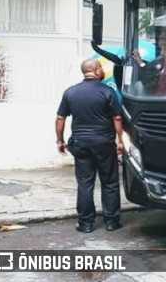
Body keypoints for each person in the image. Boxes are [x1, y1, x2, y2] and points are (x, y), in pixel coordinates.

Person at [55, 58, 124, 233]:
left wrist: (60, 140)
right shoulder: (107, 92)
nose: (103, 71)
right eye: (101, 68)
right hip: (104, 143)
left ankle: (85, 224)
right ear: (96, 70)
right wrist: (120, 141)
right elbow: (117, 117)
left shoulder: (70, 92)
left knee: (85, 183)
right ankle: (111, 222)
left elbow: (60, 118)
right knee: (109, 182)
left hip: (80, 143)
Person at [133, 29, 166, 96]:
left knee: (138, 86)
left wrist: (141, 63)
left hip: (163, 95)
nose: (160, 42)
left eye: (162, 39)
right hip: (164, 91)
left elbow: (152, 73)